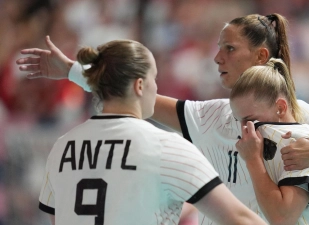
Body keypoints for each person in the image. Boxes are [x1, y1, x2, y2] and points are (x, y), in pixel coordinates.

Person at [17, 13, 309, 224]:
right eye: (218, 47)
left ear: (261, 56)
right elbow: (140, 98)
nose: (217, 57)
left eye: (229, 49)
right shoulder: (211, 114)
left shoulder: (295, 116)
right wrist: (75, 73)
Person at [37, 39, 267, 225]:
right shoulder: (165, 147)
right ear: (139, 85)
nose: (156, 87)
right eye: (153, 79)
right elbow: (238, 218)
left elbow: (59, 218)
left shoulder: (62, 146)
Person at [231, 58, 309, 224]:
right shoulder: (269, 141)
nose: (245, 130)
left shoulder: (301, 142)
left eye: (250, 120)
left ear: (280, 108)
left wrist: (253, 160)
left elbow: (282, 218)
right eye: (239, 121)